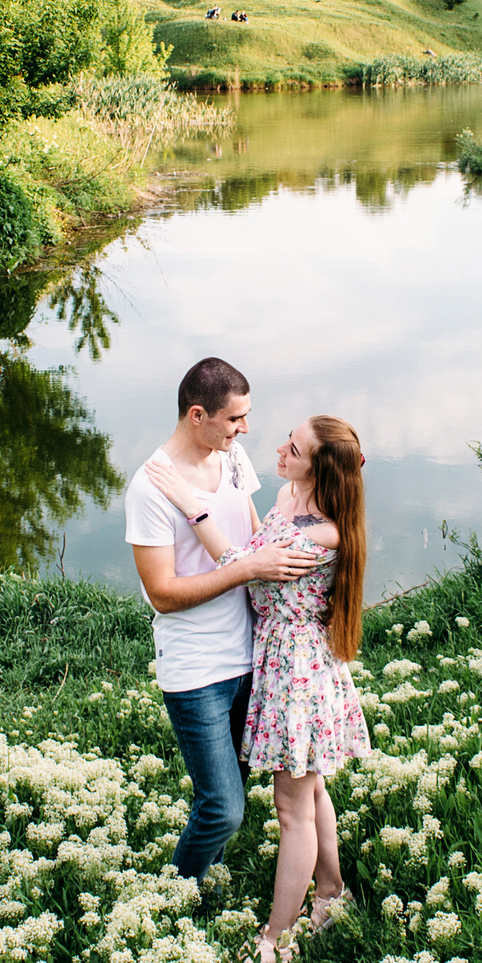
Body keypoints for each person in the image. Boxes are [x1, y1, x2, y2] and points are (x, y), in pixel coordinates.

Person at [149, 415, 371, 963]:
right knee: (311, 789)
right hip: (279, 656)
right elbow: (255, 545)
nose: (279, 449)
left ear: (319, 470)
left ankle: (276, 937)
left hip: (297, 670)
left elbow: (243, 567)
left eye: (293, 449)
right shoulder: (289, 496)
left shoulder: (321, 535)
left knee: (292, 810)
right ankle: (330, 891)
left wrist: (189, 502)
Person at [127, 358, 319, 891]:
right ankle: (174, 894)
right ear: (198, 415)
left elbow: (255, 532)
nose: (245, 429)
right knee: (223, 808)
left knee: (238, 783)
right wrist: (249, 569)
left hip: (253, 657)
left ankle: (201, 880)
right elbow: (163, 594)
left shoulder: (231, 456)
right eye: (235, 418)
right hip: (198, 670)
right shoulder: (150, 488)